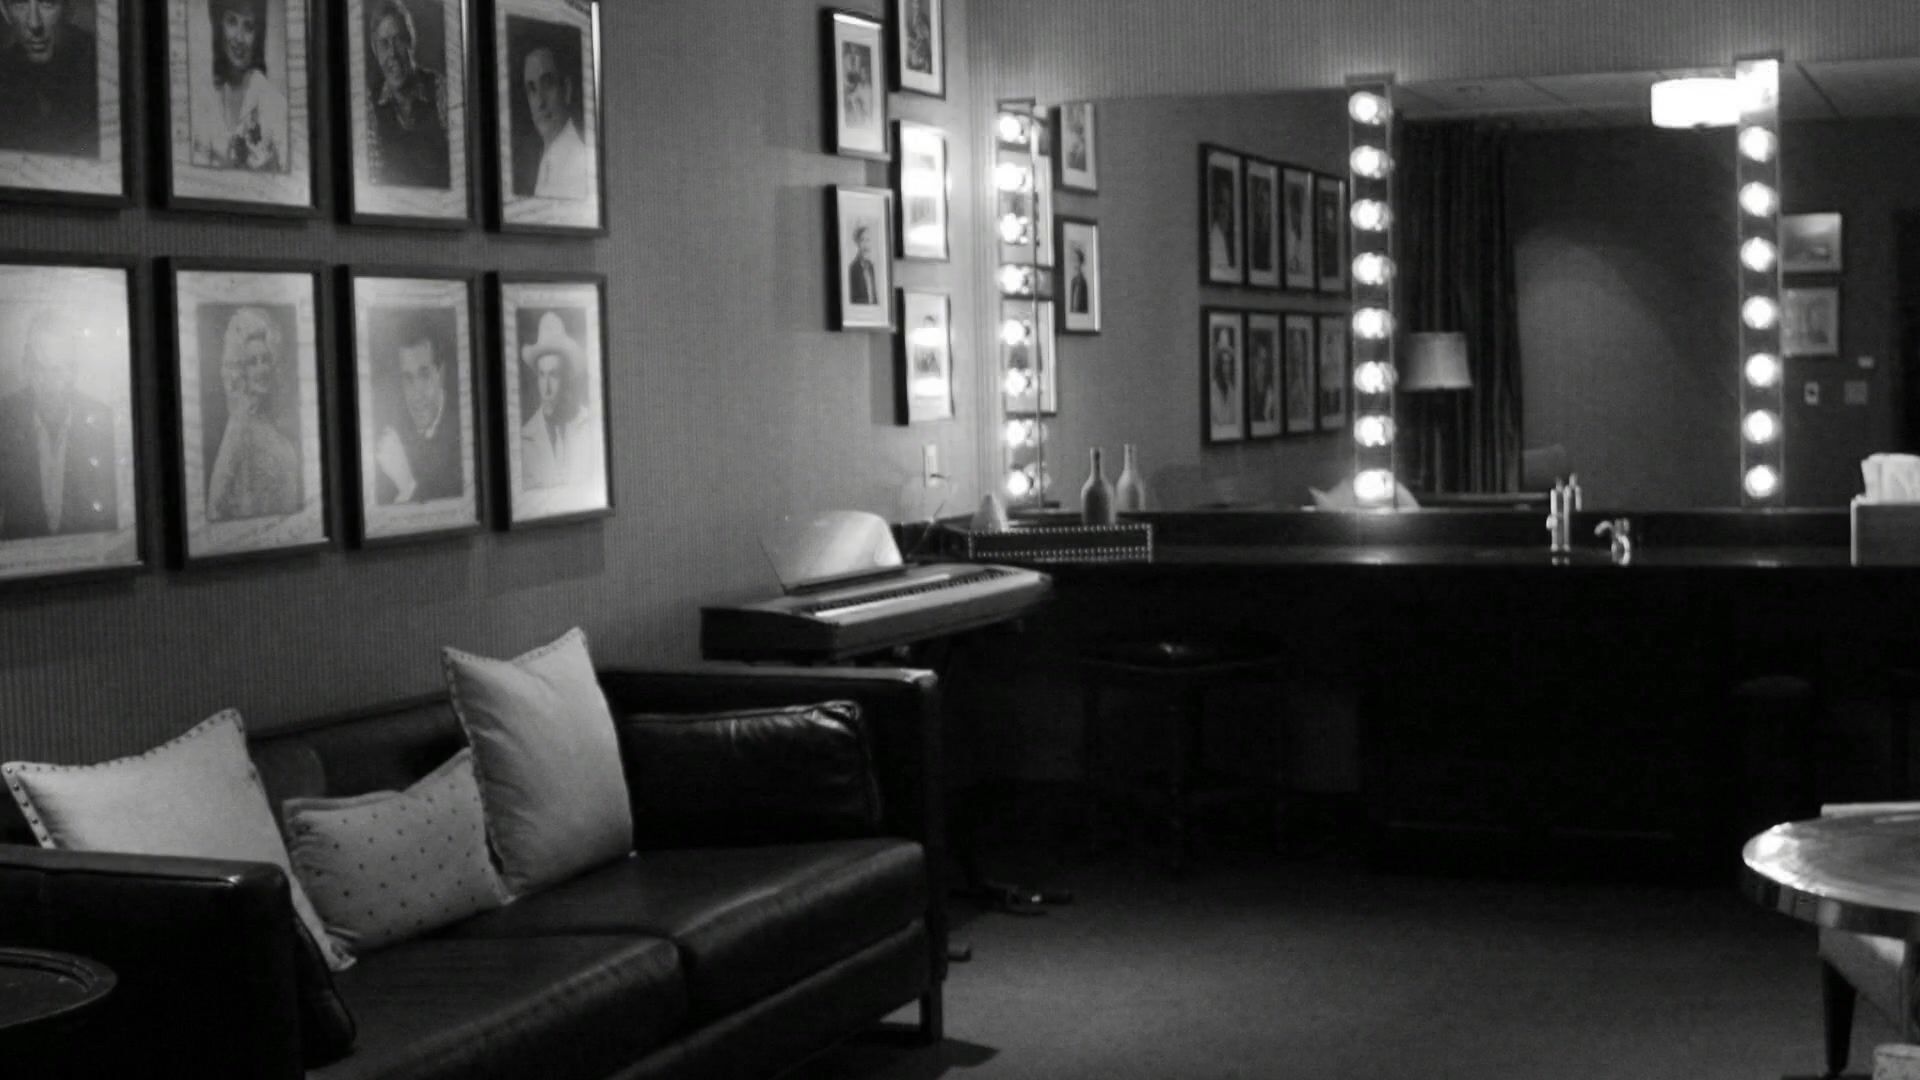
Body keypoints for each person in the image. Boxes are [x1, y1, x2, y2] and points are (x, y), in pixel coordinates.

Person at [0, 308, 116, 539]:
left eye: (58, 370)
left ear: (73, 371)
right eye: (39, 368)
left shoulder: (103, 421)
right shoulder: (3, 418)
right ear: (26, 367)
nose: (48, 382)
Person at [207, 306, 301, 522]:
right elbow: (215, 506)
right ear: (240, 370)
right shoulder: (239, 428)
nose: (262, 369)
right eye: (252, 362)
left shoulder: (273, 424)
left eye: (265, 359)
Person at [190, 0, 290, 171]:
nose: (239, 38)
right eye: (231, 22)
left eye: (248, 27)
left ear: (258, 35)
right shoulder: (204, 100)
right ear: (219, 25)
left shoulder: (275, 104)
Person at [366, 0, 450, 190]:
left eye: (398, 41)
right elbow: (375, 180)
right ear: (375, 51)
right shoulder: (369, 104)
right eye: (384, 44)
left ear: (412, 41)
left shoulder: (440, 89)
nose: (392, 54)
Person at [0, 0, 98, 158]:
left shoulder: (100, 67)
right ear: (5, 12)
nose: (34, 23)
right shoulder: (4, 72)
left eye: (48, 3)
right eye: (19, 4)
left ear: (69, 9)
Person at [372, 331, 461, 505]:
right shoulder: (392, 429)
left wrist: (408, 487)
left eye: (424, 375)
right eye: (408, 379)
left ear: (441, 374)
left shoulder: (463, 433)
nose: (416, 394)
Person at [519, 311, 597, 492]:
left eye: (554, 375)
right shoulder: (525, 438)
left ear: (566, 378)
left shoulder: (589, 425)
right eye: (542, 375)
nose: (546, 388)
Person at [522, 40, 590, 199]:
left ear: (566, 90)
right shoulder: (544, 161)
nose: (540, 102)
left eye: (547, 84)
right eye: (532, 89)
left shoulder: (581, 166)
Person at [1209, 325, 1239, 431]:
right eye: (1224, 363)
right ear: (1218, 366)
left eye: (1229, 363)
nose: (1227, 368)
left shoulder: (1233, 391)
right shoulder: (1211, 391)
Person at [1208, 167, 1235, 273]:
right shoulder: (1213, 237)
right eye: (1222, 204)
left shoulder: (1225, 238)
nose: (1225, 213)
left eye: (1228, 207)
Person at [1247, 334, 1276, 424]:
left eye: (1265, 350)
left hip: (1264, 403)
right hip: (1254, 402)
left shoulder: (1268, 368)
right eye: (1262, 350)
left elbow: (1269, 387)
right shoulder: (1252, 365)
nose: (1264, 352)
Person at [847, 223, 877, 306]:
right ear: (857, 243)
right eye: (862, 240)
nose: (865, 245)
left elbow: (874, 295)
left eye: (867, 240)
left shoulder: (871, 266)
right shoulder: (853, 268)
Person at [841, 42, 871, 127]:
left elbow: (858, 72)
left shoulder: (858, 58)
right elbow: (845, 74)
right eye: (852, 48)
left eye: (856, 49)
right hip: (850, 84)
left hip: (857, 85)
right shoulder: (846, 59)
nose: (854, 49)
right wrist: (848, 85)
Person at [1067, 244, 1088, 314]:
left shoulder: (1082, 281)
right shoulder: (1073, 280)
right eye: (1073, 260)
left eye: (1076, 260)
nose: (1074, 262)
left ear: (1080, 262)